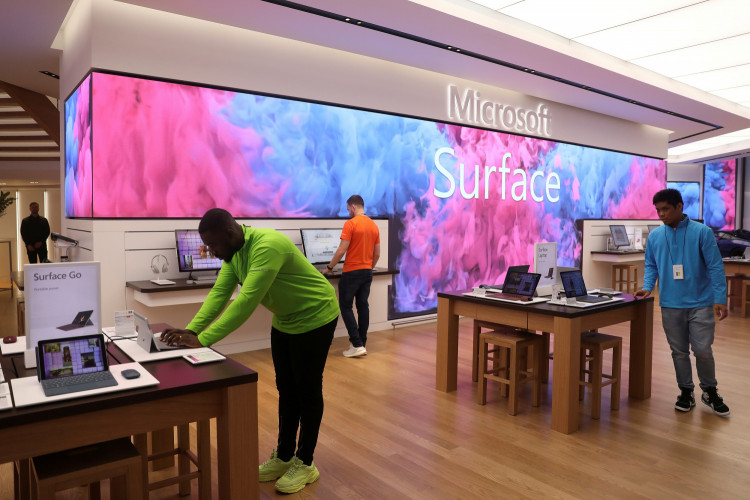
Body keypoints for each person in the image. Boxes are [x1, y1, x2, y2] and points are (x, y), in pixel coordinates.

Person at [160, 209, 340, 493]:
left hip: (316, 315)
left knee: (307, 389)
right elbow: (219, 295)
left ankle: (305, 463)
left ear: (230, 233)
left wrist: (204, 340)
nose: (213, 252)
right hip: (286, 320)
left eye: (214, 245)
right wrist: (192, 331)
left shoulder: (267, 246)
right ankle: (283, 456)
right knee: (286, 389)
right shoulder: (234, 253)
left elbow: (245, 303)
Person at [634, 188, 730, 417]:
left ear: (679, 207)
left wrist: (719, 298)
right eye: (658, 210)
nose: (661, 214)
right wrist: (648, 286)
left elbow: (716, 267)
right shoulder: (656, 236)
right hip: (670, 304)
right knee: (678, 352)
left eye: (666, 209)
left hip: (701, 302)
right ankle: (686, 391)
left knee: (702, 350)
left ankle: (710, 391)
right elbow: (651, 266)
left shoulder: (703, 233)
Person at [323, 195, 380, 358]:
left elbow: (342, 250)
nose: (348, 212)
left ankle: (356, 344)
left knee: (346, 306)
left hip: (351, 272)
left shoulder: (350, 224)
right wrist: (369, 267)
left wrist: (329, 267)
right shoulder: (373, 226)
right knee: (363, 306)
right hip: (367, 271)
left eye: (348, 209)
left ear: (353, 206)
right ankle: (361, 343)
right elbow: (377, 253)